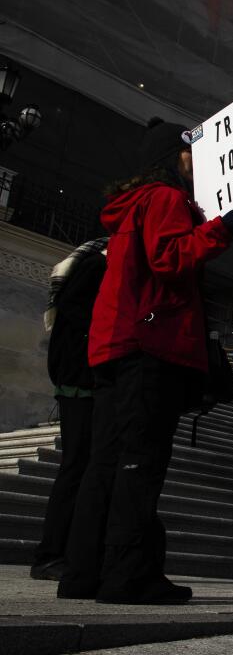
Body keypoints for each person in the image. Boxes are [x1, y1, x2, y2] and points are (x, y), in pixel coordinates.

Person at [57, 118, 233, 604]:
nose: (200, 163)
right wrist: (223, 228)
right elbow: (171, 259)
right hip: (149, 346)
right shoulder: (167, 199)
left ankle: (83, 573)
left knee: (103, 462)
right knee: (139, 462)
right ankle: (127, 575)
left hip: (114, 347)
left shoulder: (133, 206)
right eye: (192, 153)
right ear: (174, 157)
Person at [29, 238, 108, 580]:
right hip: (81, 380)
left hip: (84, 379)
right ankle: (50, 555)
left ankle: (70, 552)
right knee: (77, 466)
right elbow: (80, 315)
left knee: (84, 467)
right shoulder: (99, 265)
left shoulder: (95, 262)